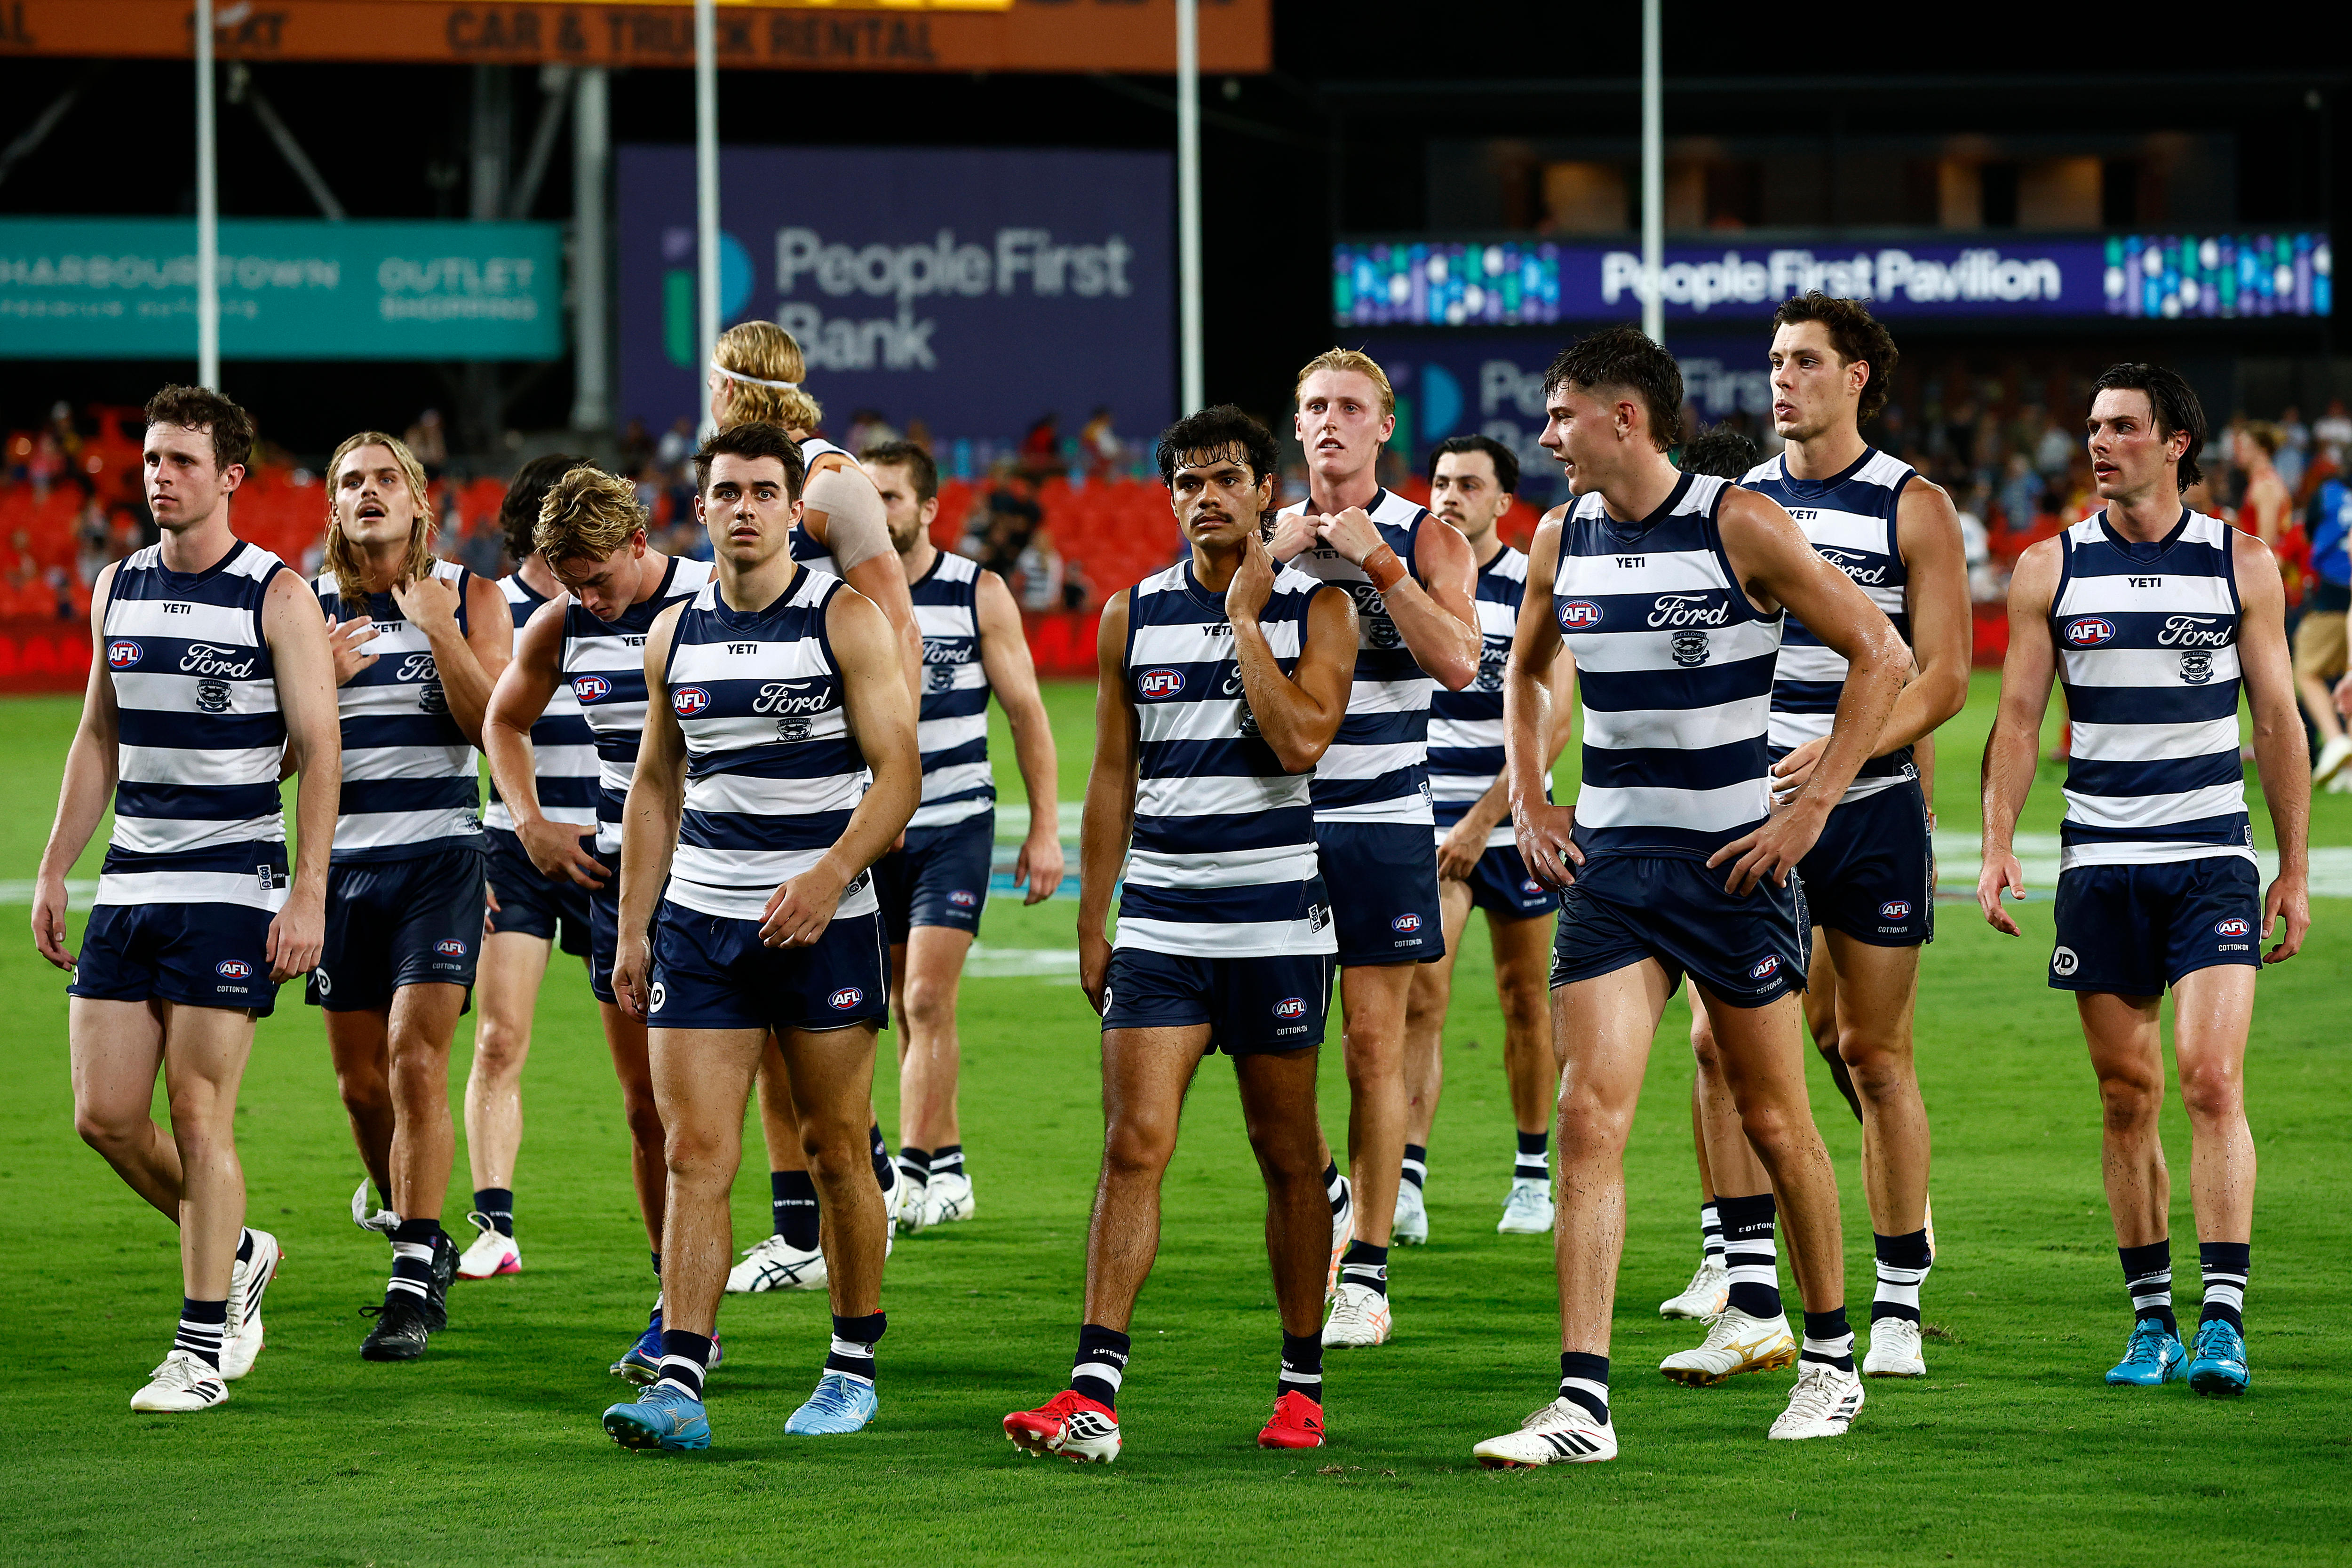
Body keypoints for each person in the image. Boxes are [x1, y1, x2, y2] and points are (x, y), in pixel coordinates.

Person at [1471, 326, 1906, 1468]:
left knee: (1775, 1119)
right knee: (1586, 1115)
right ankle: (1582, 1402)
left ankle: (1829, 1360)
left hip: (1731, 869)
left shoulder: (1738, 523)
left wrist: (1810, 810)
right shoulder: (1560, 535)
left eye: (1561, 415)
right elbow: (1524, 671)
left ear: (1625, 418)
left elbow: (1882, 654)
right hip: (1613, 870)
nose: (1546, 437)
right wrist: (1530, 797)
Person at [1001, 406, 1355, 1464]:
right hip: (1160, 922)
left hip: (1276, 924)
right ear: (1169, 499)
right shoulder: (1130, 613)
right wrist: (1093, 915)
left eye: (1227, 478)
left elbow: (1301, 741)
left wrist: (1245, 621)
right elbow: (1114, 773)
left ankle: (1301, 1385)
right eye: (1188, 482)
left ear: (1265, 491)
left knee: (1286, 1153)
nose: (1207, 497)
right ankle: (1092, 1389)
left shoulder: (1321, 606)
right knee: (1132, 1144)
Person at [1979, 364, 2308, 1400]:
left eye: (2123, 426)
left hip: (2210, 857)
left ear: (2175, 443)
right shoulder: (2050, 567)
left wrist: (2293, 868)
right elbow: (2019, 720)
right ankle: (2152, 1321)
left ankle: (2224, 1321)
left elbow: (2277, 722)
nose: (2100, 442)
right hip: (2101, 863)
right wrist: (1998, 842)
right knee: (2127, 1096)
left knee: (2209, 1078)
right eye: (2093, 426)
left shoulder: (2240, 562)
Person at [1666, 297, 1969, 1385]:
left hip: (1870, 807)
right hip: (1751, 810)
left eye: (1804, 361)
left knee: (1870, 1055)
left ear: (1855, 378)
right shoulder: (1738, 506)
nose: (1781, 379)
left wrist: (1842, 752)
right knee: (1719, 1048)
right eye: (1774, 361)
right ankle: (1751, 1299)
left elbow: (1943, 676)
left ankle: (1897, 1304)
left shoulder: (1913, 505)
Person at [599, 421, 918, 1452]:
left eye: (764, 491)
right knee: (696, 1152)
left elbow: (900, 775)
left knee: (835, 1150)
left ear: (794, 508)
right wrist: (634, 929)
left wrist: (831, 874)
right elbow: (656, 784)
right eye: (727, 491)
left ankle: (852, 1364)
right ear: (701, 507)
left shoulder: (845, 617)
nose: (744, 507)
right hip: (701, 925)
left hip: (824, 926)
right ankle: (679, 1381)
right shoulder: (673, 633)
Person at [32, 385, 337, 1412]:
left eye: (183, 462)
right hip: (130, 882)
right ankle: (239, 1249)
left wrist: (307, 894)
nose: (160, 476)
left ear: (231, 477)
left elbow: (321, 751)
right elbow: (98, 736)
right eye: (153, 460)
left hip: (232, 885)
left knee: (199, 1113)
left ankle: (200, 1348)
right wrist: (55, 865)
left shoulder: (276, 595)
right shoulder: (116, 584)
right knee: (105, 1116)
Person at [480, 464, 714, 1377]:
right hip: (626, 882)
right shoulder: (562, 622)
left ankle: (845, 1317)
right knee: (650, 1109)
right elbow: (503, 721)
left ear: (639, 543)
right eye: (572, 583)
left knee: (792, 1106)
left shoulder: (712, 596)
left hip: (735, 875)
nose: (590, 599)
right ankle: (677, 1308)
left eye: (600, 579)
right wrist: (530, 821)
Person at [1268, 349, 1480, 1350]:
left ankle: (1367, 1271)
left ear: (1384, 426)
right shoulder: (1266, 537)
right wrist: (1268, 562)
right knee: (1274, 1049)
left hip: (1386, 817)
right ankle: (1330, 1187)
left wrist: (1379, 563)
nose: (1330, 422)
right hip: (1275, 818)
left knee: (1371, 1045)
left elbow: (1461, 661)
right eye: (1315, 406)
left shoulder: (1427, 533)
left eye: (1350, 407)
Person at [707, 322, 921, 1230]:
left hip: (827, 784)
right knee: (766, 1022)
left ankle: (841, 1196)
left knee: (808, 1020)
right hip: (763, 782)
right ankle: (814, 1209)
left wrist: (884, 786)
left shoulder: (829, 482)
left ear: (734, 387)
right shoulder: (768, 478)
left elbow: (899, 622)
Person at [311, 431, 513, 1362]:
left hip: (440, 860)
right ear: (335, 505)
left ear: (418, 498)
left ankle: (409, 1281)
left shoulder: (471, 596)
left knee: (414, 1060)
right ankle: (419, 1232)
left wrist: (439, 629)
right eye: (351, 481)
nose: (369, 491)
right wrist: (316, 685)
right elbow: (270, 760)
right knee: (362, 1088)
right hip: (341, 868)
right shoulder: (304, 606)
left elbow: (494, 730)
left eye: (385, 477)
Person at [865, 439, 1061, 1227]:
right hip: (874, 830)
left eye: (890, 497)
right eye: (866, 497)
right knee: (897, 1004)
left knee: (926, 997)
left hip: (955, 821)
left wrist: (1045, 829)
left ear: (928, 508)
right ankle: (949, 1170)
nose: (877, 512)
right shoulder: (845, 595)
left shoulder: (978, 591)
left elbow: (1027, 713)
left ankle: (910, 1177)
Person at [1397, 434, 1574, 1245]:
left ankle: (1532, 1175)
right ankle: (1407, 1180)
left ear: (1504, 501)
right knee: (1421, 998)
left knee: (1525, 999)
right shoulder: (1409, 586)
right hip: (1430, 827)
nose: (1449, 496)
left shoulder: (1536, 584)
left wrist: (1481, 821)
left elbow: (1553, 725)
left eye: (1469, 484)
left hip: (1514, 825)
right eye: (1440, 482)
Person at [458, 454, 601, 1281]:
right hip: (512, 845)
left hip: (611, 845)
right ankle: (495, 1224)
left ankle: (674, 1238)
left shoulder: (624, 607)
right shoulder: (495, 611)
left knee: (647, 1065)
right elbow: (464, 738)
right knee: (499, 1035)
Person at [2296, 468, 2351, 788]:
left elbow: (2310, 533)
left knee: (2307, 670)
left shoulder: (2329, 493)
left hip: (2331, 595)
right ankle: (2349, 770)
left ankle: (2335, 740)